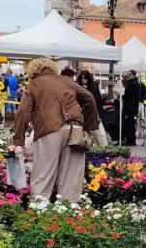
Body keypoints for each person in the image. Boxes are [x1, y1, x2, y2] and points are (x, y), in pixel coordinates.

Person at [14, 57, 97, 203]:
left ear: (34, 71)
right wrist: (87, 126)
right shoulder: (66, 80)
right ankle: (68, 213)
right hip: (75, 130)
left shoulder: (35, 84)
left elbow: (22, 112)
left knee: (43, 174)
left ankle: (39, 211)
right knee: (71, 178)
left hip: (49, 130)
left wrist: (18, 139)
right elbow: (89, 98)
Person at [120, 70, 142, 145]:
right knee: (130, 124)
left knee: (129, 125)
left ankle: (130, 141)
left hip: (130, 107)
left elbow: (129, 96)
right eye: (127, 74)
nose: (128, 76)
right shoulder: (134, 83)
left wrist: (122, 96)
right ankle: (130, 140)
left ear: (133, 75)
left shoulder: (133, 84)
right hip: (132, 107)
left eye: (129, 74)